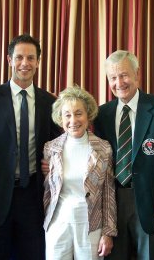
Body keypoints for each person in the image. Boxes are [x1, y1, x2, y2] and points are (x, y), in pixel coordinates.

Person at [0, 33, 60, 260]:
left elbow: (59, 144)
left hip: (34, 196)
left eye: (31, 58)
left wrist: (54, 164)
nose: (25, 63)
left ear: (38, 62)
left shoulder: (49, 102)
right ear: (9, 60)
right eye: (19, 57)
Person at [93, 50, 154, 260]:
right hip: (114, 204)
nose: (119, 82)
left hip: (150, 205)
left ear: (138, 74)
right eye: (113, 77)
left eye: (124, 75)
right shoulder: (102, 114)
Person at [43, 86, 117, 260]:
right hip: (57, 223)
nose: (73, 120)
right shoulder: (50, 148)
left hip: (92, 225)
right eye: (67, 114)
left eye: (78, 113)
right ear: (60, 119)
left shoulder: (103, 148)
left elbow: (108, 193)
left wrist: (108, 232)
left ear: (88, 114)